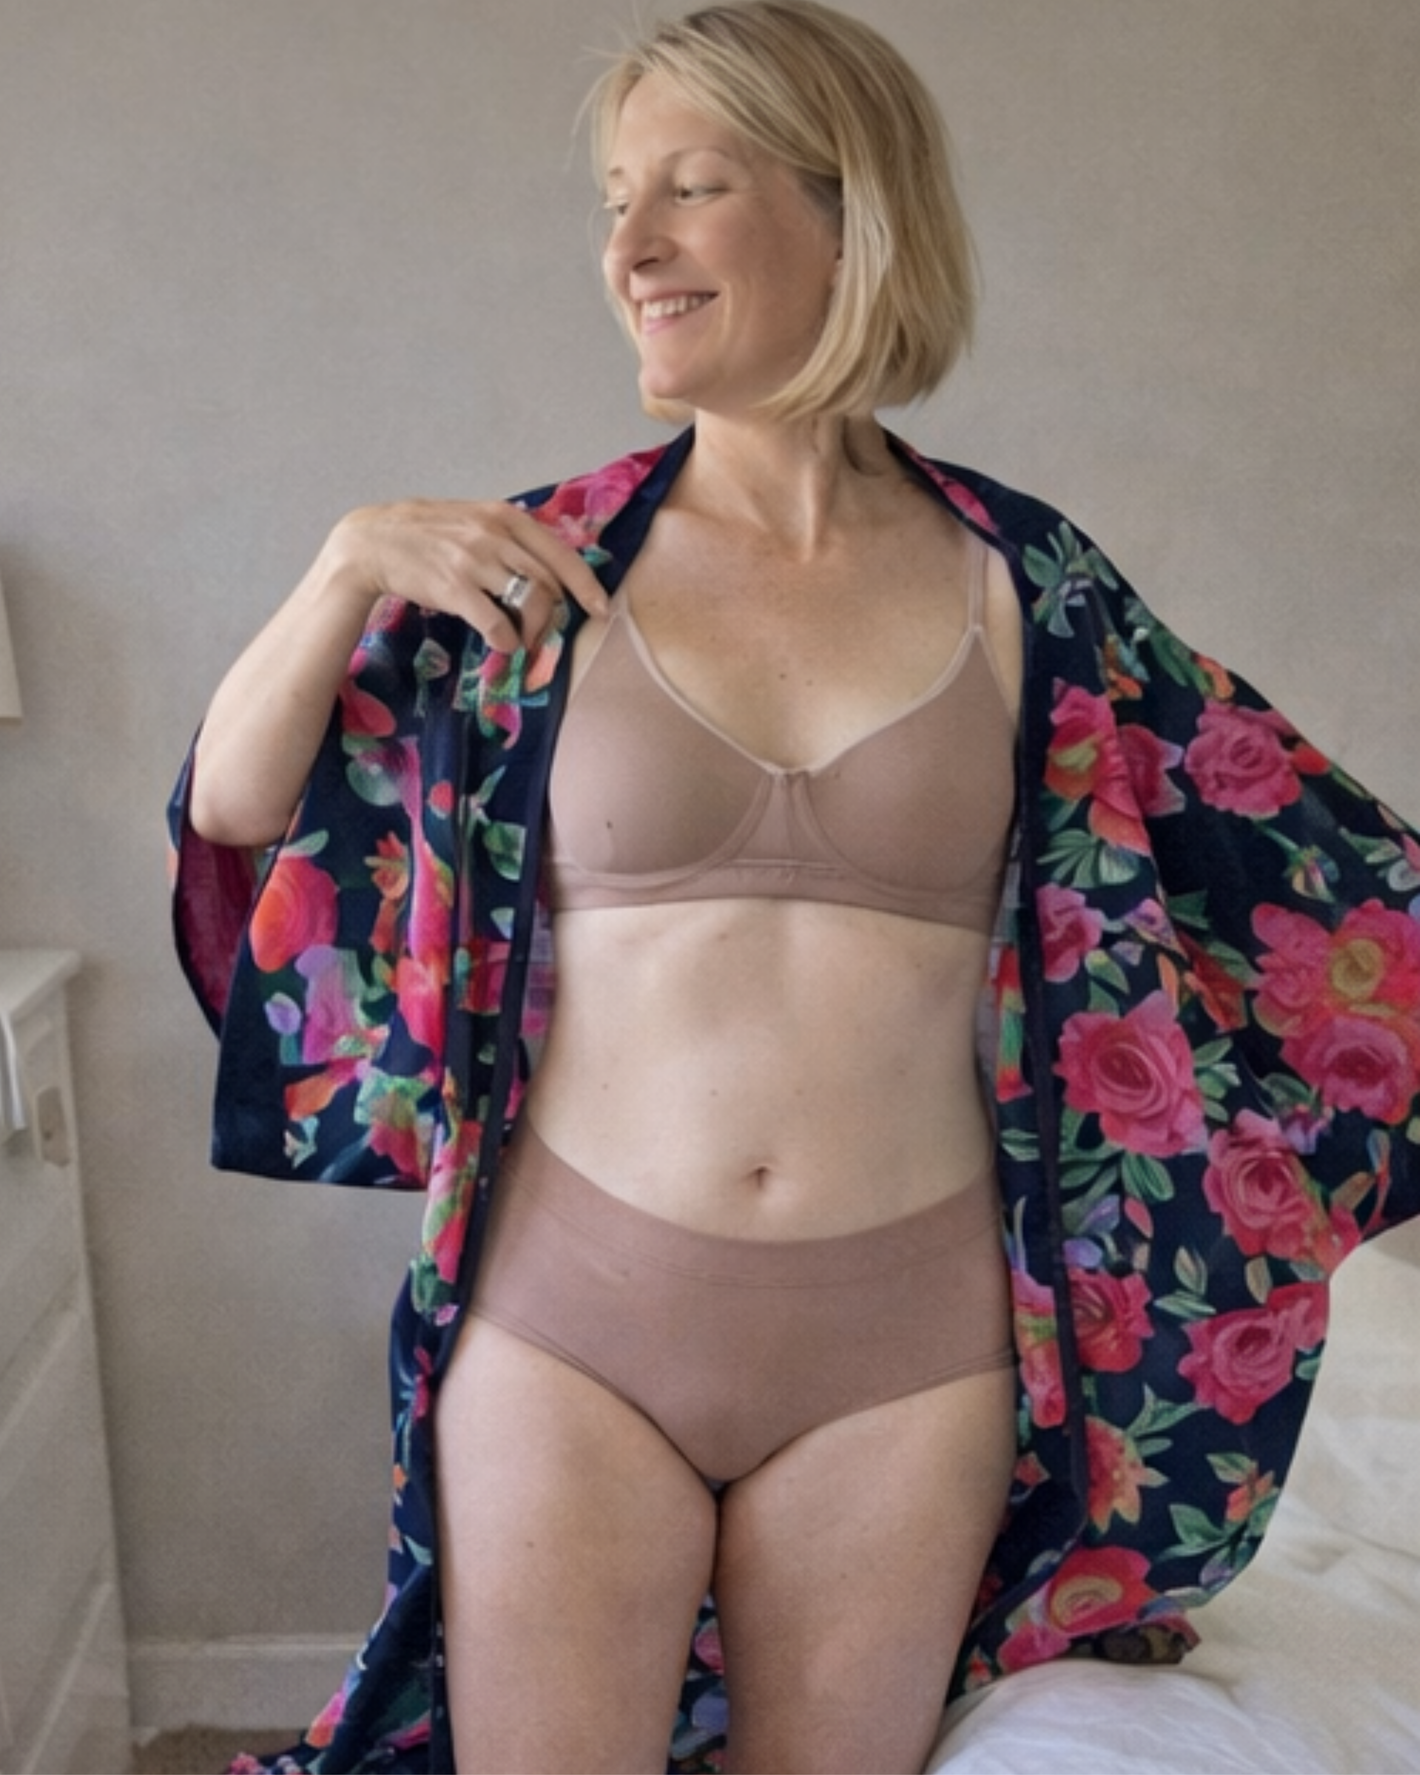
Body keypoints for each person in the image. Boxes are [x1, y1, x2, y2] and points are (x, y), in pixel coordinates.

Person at [170, 4, 1420, 1773]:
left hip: (908, 1358)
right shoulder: (541, 569)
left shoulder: (1028, 584)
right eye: (615, 200)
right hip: (570, 1324)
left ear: (852, 216)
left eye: (692, 186)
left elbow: (1320, 893)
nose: (632, 246)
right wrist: (340, 567)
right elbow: (240, 806)